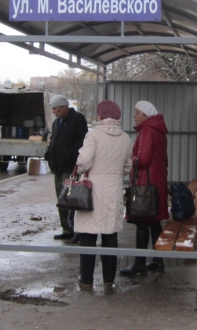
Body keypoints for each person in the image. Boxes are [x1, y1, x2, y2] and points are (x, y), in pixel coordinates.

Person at [73, 100, 132, 290]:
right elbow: (128, 166)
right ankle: (109, 279)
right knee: (110, 236)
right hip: (114, 189)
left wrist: (82, 170)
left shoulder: (93, 136)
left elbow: (83, 162)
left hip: (92, 190)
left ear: (101, 115)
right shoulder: (125, 138)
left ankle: (86, 279)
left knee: (88, 236)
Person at [120, 100, 169, 276]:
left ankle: (139, 262)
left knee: (142, 223)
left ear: (146, 115)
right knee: (154, 223)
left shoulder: (147, 131)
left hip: (145, 185)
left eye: (137, 112)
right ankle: (158, 260)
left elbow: (144, 159)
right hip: (156, 183)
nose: (134, 115)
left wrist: (129, 159)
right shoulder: (158, 132)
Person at [44, 94, 88, 241]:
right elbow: (53, 140)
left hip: (70, 166)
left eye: (56, 109)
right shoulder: (57, 123)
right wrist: (49, 153)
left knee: (71, 198)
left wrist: (70, 156)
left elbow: (81, 141)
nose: (54, 112)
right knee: (61, 199)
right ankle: (66, 229)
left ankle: (77, 230)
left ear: (64, 107)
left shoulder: (78, 119)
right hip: (57, 166)